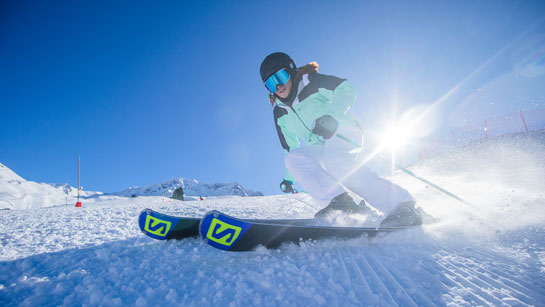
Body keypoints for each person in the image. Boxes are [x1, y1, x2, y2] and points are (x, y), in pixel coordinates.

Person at [260, 52, 425, 226]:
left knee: (336, 162)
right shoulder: (279, 113)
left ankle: (402, 206)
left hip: (341, 130)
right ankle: (342, 204)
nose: (278, 86)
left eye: (280, 76)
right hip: (320, 146)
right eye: (271, 83)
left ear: (291, 71)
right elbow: (290, 148)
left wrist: (332, 117)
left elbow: (347, 88)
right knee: (293, 159)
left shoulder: (309, 82)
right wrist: (289, 179)